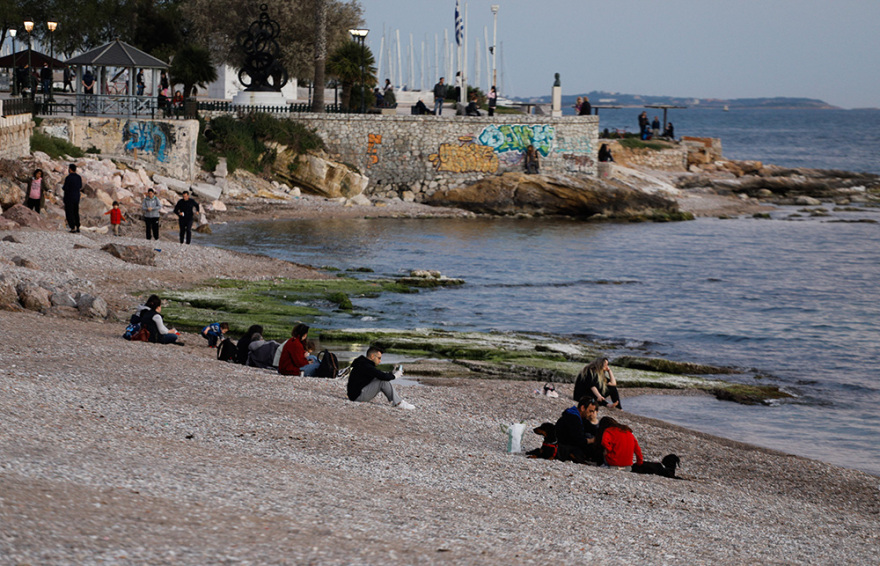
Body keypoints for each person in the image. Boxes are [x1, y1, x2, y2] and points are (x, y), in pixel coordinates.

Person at [346, 346, 414, 410]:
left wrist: (392, 373)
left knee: (380, 379)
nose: (380, 361)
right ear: (372, 356)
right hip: (358, 396)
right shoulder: (366, 366)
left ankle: (398, 401)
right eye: (379, 358)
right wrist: (395, 376)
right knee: (382, 381)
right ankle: (398, 403)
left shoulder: (363, 363)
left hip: (354, 395)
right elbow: (382, 376)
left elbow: (379, 374)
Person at [555, 396, 602, 464]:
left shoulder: (576, 415)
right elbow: (579, 440)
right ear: (583, 408)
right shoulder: (573, 418)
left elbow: (591, 429)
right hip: (565, 446)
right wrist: (593, 440)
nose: (591, 414)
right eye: (590, 411)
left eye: (593, 412)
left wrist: (593, 420)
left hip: (567, 444)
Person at [61, 164, 82, 233]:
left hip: (69, 197)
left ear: (70, 169)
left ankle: (72, 227)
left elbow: (65, 188)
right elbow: (80, 186)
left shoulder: (68, 178)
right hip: (76, 197)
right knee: (76, 212)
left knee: (69, 212)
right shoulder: (79, 177)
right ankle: (78, 226)